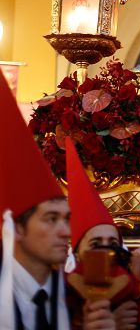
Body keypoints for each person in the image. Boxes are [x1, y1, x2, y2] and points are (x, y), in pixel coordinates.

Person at [0, 72, 113, 330]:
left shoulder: (76, 299)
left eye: (67, 219)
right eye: (51, 219)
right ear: (17, 227)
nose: (66, 232)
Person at [65, 137, 140, 330]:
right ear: (77, 253)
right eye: (96, 244)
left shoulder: (135, 289)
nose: (107, 252)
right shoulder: (66, 295)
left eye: (113, 243)